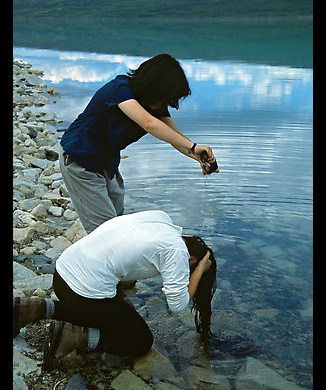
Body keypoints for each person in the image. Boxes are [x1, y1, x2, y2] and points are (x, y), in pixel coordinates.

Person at [13, 210, 217, 371]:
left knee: (110, 312)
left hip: (63, 273)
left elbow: (125, 257)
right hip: (82, 294)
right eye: (190, 268)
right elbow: (177, 304)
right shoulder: (177, 252)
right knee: (141, 341)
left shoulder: (160, 219)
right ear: (191, 260)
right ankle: (73, 336)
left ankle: (34, 308)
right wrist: (200, 269)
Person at [58, 53, 218, 235]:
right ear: (155, 87)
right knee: (106, 232)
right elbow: (149, 123)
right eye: (167, 96)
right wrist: (193, 146)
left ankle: (115, 258)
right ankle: (90, 261)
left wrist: (197, 156)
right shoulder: (120, 89)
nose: (167, 103)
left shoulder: (156, 106)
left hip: (106, 163)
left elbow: (175, 137)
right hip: (79, 159)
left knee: (118, 218)